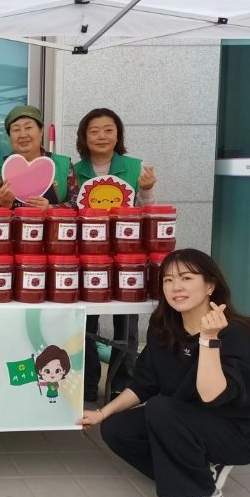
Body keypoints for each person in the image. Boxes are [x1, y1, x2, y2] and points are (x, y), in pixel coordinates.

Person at [79, 248, 250, 497]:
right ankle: (199, 470)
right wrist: (102, 413)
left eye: (186, 278)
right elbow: (143, 384)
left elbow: (212, 395)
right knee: (116, 430)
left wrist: (209, 339)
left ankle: (202, 493)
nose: (176, 287)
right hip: (182, 420)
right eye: (168, 280)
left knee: (161, 408)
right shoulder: (164, 329)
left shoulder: (236, 333)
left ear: (210, 285)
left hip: (234, 432)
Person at [75, 108, 158, 402]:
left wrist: (146, 190)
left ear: (118, 134)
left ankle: (122, 384)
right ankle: (87, 382)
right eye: (94, 131)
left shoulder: (136, 168)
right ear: (84, 137)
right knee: (86, 319)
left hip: (127, 255)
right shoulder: (74, 170)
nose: (102, 136)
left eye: (108, 130)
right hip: (87, 256)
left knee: (127, 321)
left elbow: (149, 212)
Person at [0, 105, 78, 209]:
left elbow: (76, 204)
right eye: (16, 130)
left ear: (41, 131)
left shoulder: (63, 164)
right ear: (9, 136)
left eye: (28, 128)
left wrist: (50, 208)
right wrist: (3, 204)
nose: (23, 135)